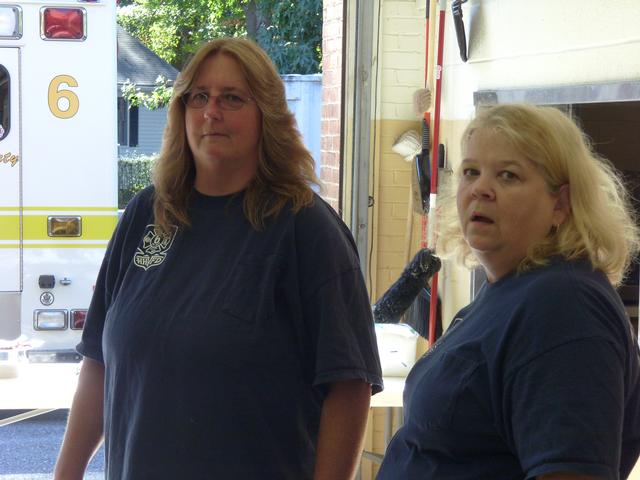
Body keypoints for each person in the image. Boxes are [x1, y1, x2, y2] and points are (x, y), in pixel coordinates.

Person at [54, 37, 382, 480]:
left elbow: (350, 384)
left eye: (232, 98)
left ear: (268, 115)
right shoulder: (146, 215)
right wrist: (65, 474)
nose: (211, 112)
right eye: (199, 97)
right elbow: (98, 363)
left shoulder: (304, 227)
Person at [377, 103, 640, 480]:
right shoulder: (510, 290)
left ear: (560, 204)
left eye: (508, 176)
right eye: (471, 171)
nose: (481, 188)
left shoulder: (564, 305)